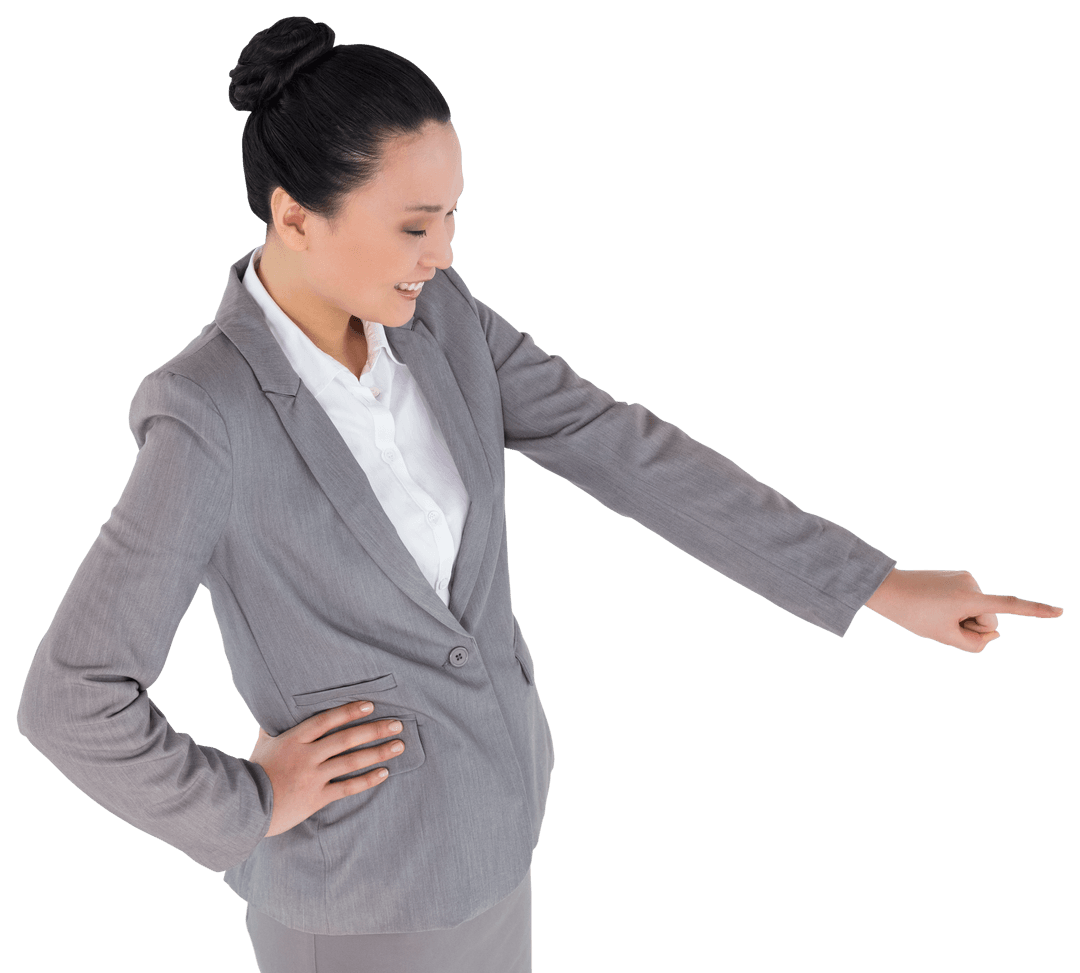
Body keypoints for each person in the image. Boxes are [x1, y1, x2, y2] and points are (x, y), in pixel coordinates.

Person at [15, 15, 1063, 973]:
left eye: (453, 219)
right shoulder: (208, 413)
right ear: (296, 216)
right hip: (360, 905)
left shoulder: (443, 324)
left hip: (498, 848)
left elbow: (630, 452)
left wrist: (875, 584)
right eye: (415, 226)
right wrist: (245, 803)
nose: (445, 254)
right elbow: (73, 699)